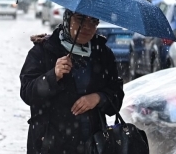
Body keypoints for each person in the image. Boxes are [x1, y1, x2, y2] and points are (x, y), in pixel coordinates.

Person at [20, 9, 124, 154]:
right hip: (49, 145)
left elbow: (116, 96)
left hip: (92, 144)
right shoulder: (43, 51)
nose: (87, 26)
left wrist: (99, 98)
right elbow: (27, 93)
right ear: (67, 19)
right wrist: (53, 76)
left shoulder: (102, 54)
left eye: (93, 21)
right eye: (80, 19)